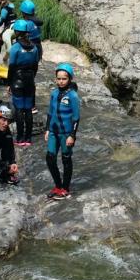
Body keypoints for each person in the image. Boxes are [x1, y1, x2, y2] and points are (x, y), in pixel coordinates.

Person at [44, 63, 81, 200]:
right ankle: (58, 185)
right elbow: (50, 113)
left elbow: (76, 118)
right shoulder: (54, 94)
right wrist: (47, 129)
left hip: (66, 134)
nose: (60, 81)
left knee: (66, 159)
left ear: (69, 79)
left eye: (64, 79)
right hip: (54, 132)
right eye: (58, 78)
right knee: (50, 158)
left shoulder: (73, 96)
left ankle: (65, 188)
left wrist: (72, 135)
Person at [9, 20, 40, 145]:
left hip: (17, 80)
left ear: (16, 32)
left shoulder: (15, 47)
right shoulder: (34, 48)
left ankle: (20, 138)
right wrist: (31, 77)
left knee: (19, 109)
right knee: (28, 109)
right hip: (29, 80)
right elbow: (35, 66)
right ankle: (28, 138)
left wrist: (9, 83)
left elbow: (11, 66)